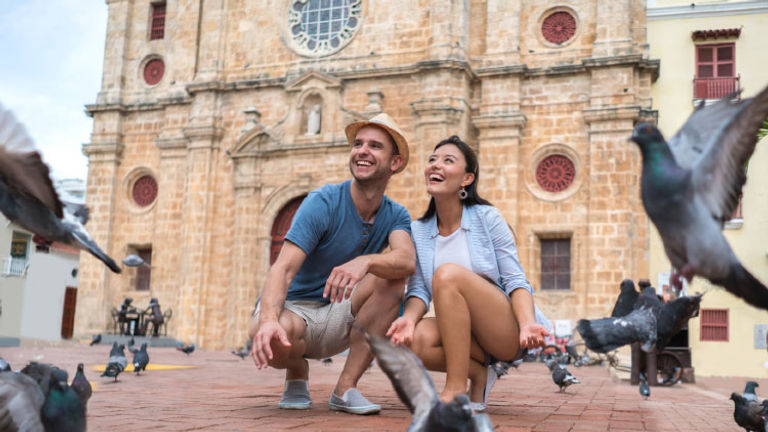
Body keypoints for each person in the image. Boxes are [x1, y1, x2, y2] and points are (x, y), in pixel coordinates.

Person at [249, 113, 415, 415]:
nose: (362, 150)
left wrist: (365, 262)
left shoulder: (396, 215)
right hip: (294, 311)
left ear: (395, 163)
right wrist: (269, 319)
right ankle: (296, 369)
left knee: (393, 278)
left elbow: (406, 260)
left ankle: (345, 389)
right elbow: (282, 268)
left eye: (375, 146)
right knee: (272, 339)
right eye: (358, 143)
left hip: (339, 312)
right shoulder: (322, 202)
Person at [386, 135, 550, 412]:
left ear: (467, 179)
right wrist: (409, 319)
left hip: (504, 331)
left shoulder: (488, 218)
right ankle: (478, 375)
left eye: (448, 161)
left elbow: (515, 280)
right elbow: (419, 292)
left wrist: (526, 323)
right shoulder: (419, 230)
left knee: (447, 274)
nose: (435, 165)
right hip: (461, 333)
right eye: (432, 160)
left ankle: (455, 389)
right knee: (409, 344)